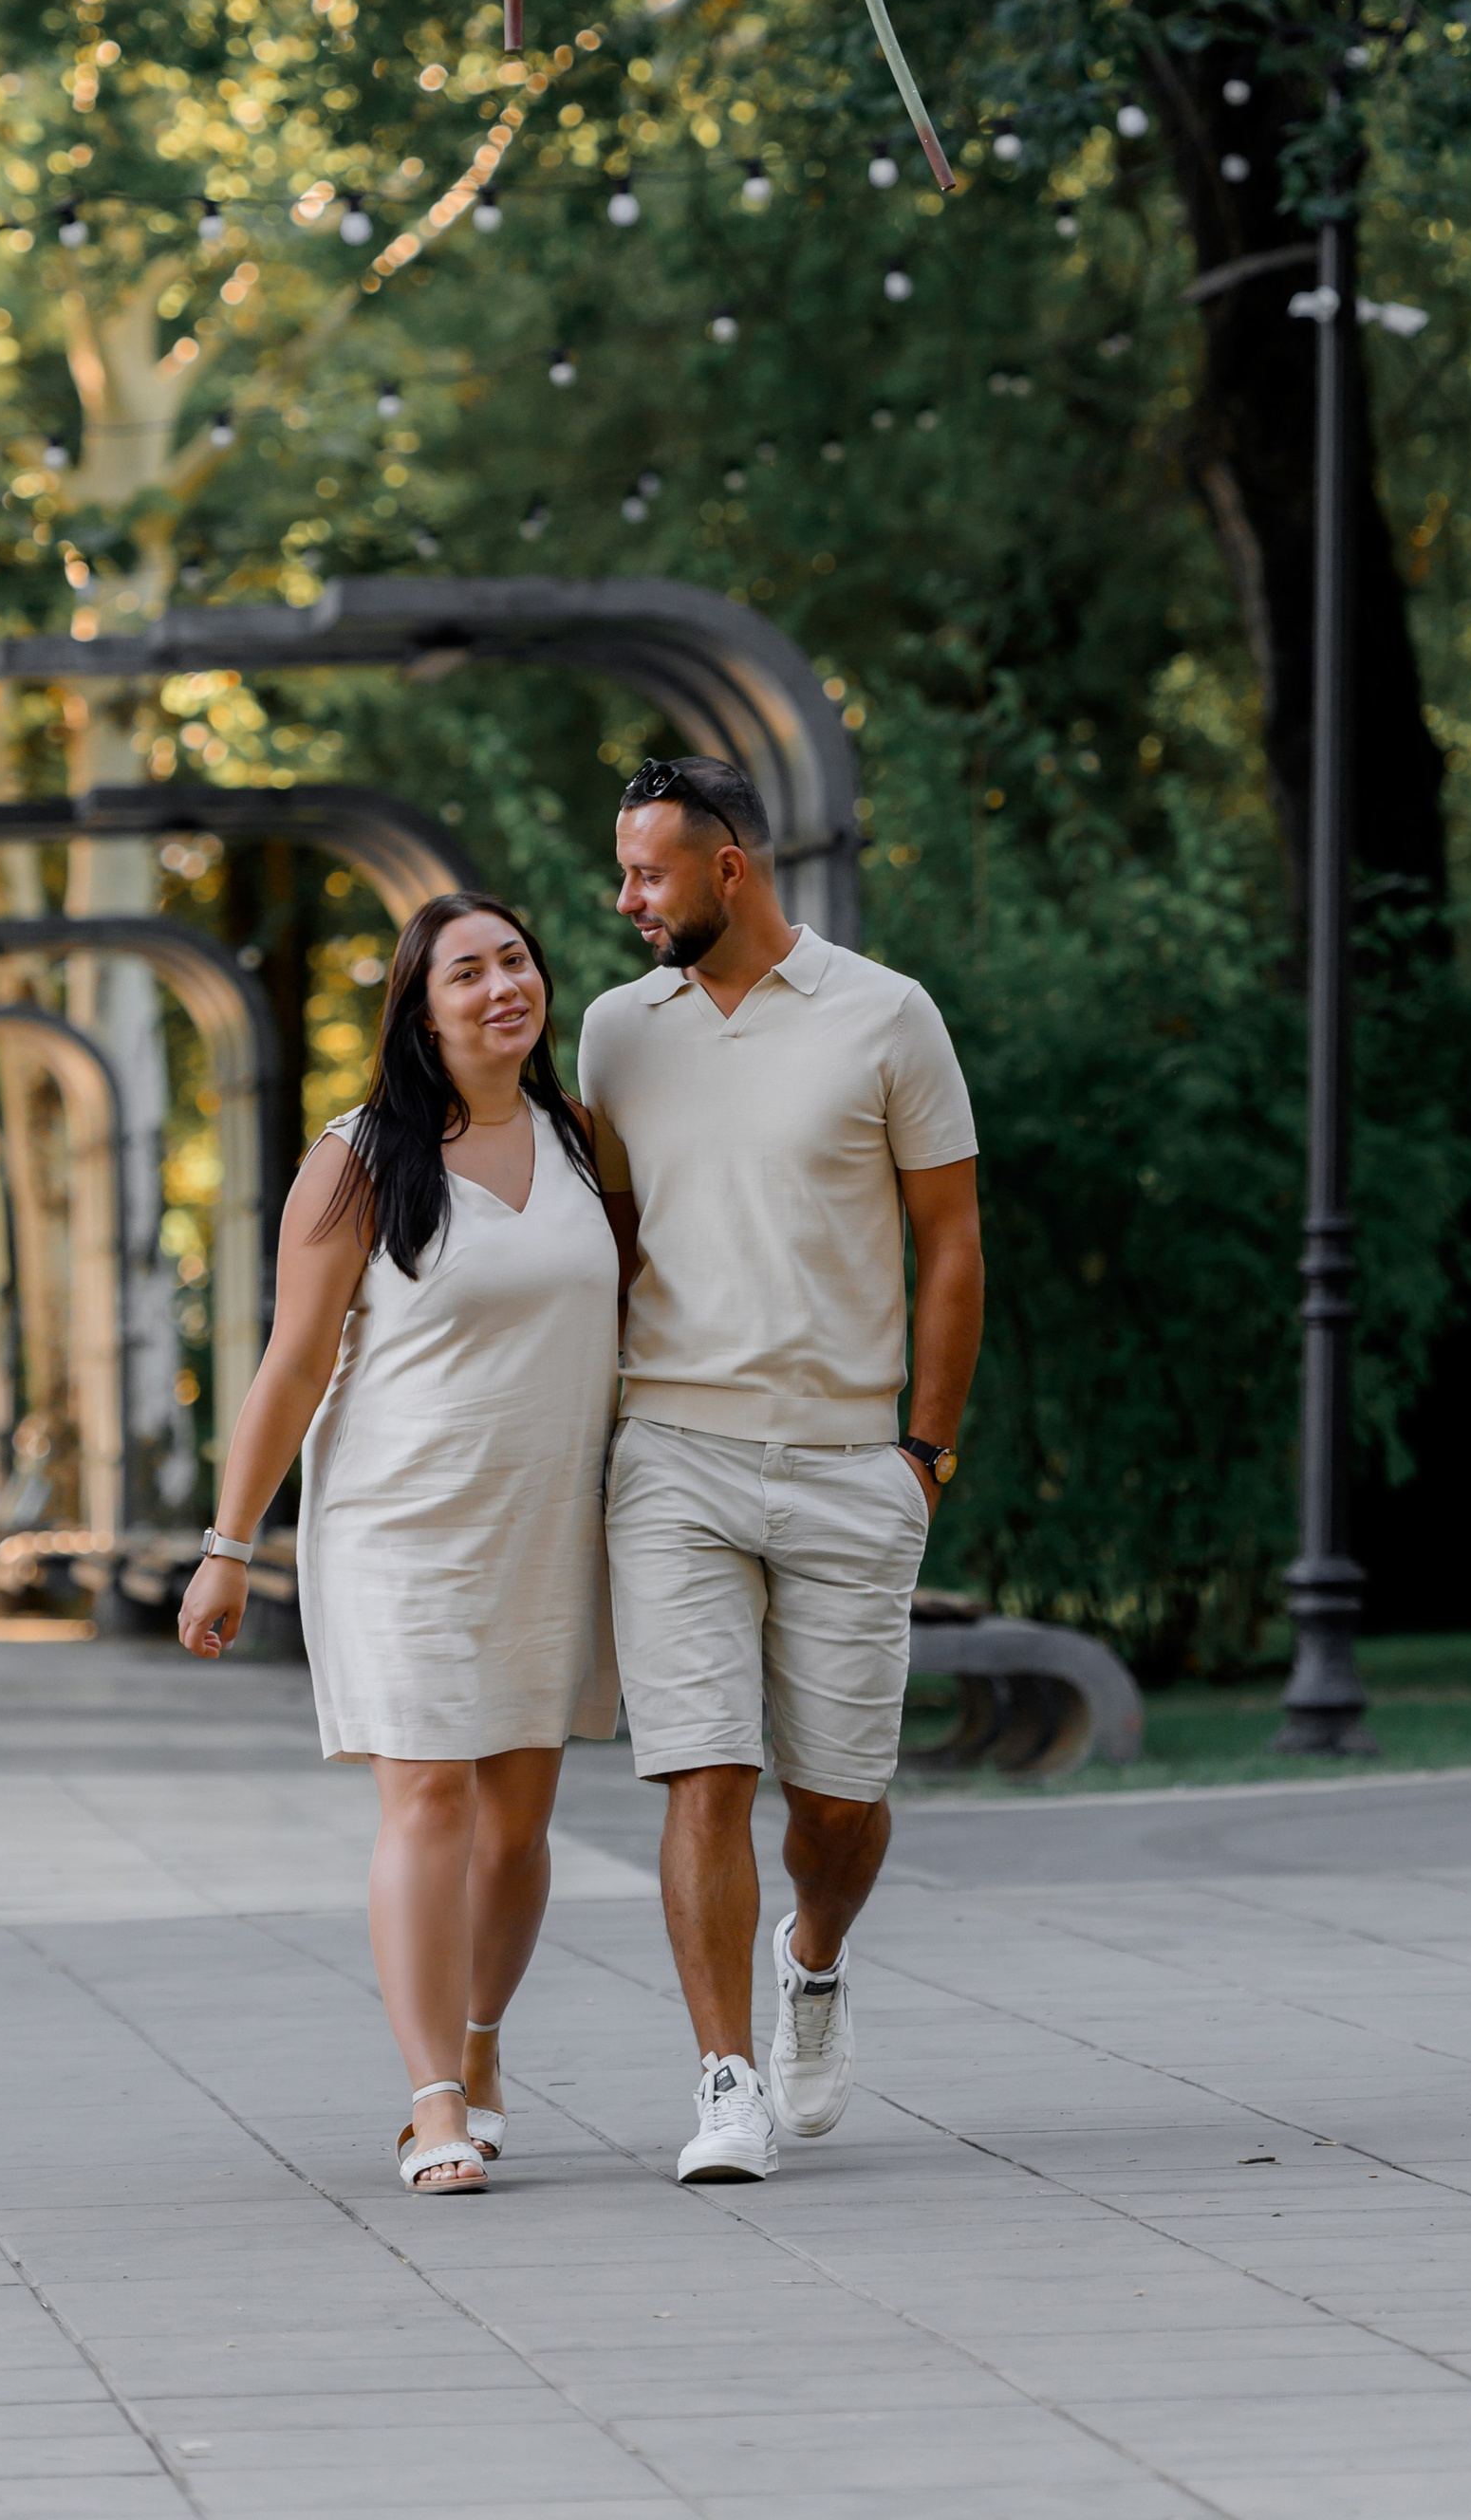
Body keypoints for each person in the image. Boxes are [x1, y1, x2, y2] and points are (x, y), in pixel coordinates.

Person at [177, 891, 622, 2196]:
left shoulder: (585, 1143)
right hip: (397, 1525)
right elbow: (292, 1362)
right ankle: (432, 2102)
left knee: (520, 1822)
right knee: (429, 1795)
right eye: (467, 973)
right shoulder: (361, 1155)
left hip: (547, 1525)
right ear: (421, 1012)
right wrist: (228, 1544)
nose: (501, 987)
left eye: (516, 962)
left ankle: (482, 2048)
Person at [583, 753, 984, 2185]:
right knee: (704, 1771)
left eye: (648, 872)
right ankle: (724, 2080)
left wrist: (922, 1451)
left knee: (837, 1804)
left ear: (729, 868)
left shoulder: (887, 1013)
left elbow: (952, 1248)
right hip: (674, 1453)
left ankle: (813, 1958)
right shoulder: (615, 1033)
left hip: (846, 1462)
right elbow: (610, 1252)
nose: (626, 898)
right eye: (625, 871)